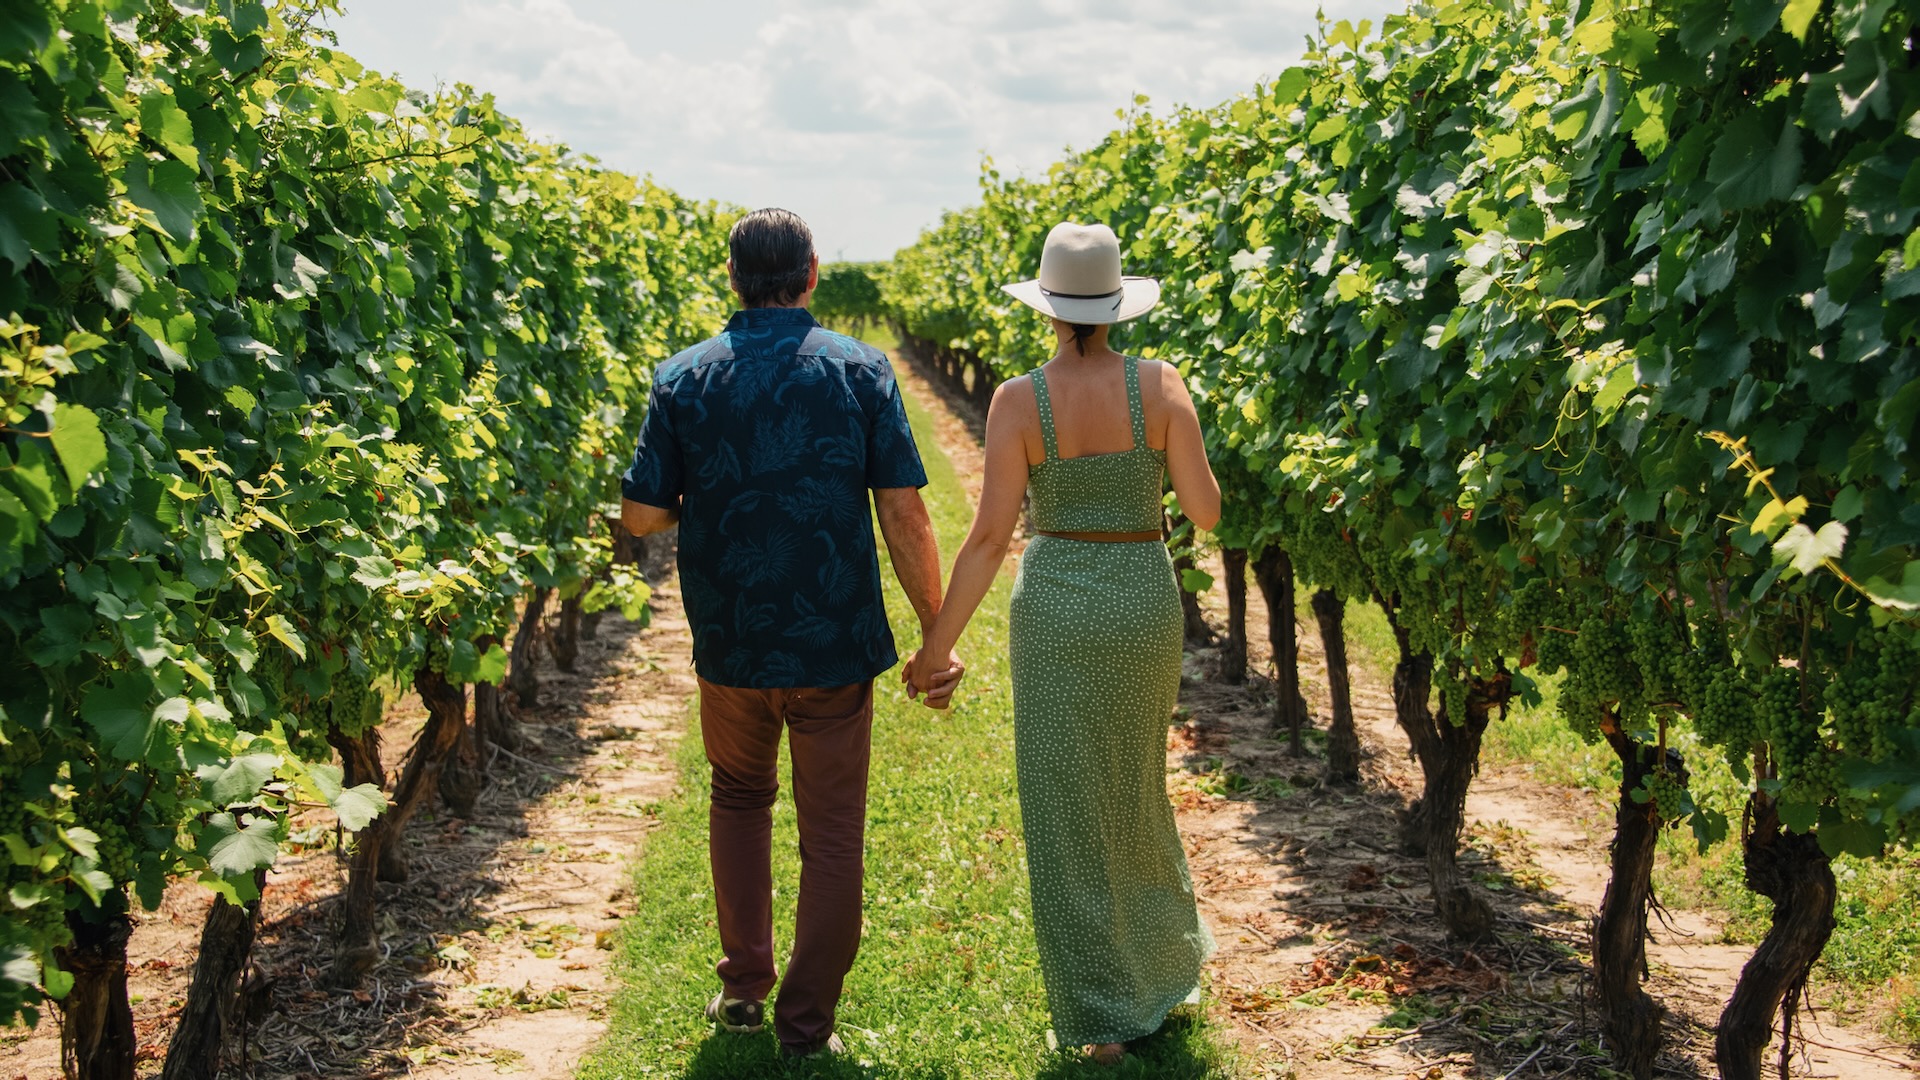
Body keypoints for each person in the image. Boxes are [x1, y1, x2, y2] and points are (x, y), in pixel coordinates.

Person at [620, 208, 964, 1060]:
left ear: (732, 278)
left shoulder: (682, 378)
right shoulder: (859, 371)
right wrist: (934, 632)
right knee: (833, 833)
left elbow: (639, 515)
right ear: (812, 273)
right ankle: (806, 1028)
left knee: (738, 801)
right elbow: (904, 511)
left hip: (732, 642)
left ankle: (743, 990)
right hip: (834, 643)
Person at [905, 221, 1221, 1066]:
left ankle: (1100, 1017)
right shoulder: (1161, 385)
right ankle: (1160, 977)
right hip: (1141, 600)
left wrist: (937, 648)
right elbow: (1205, 511)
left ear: (1048, 307)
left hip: (1054, 606)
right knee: (1135, 786)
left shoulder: (1017, 400)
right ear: (1117, 305)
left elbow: (984, 541)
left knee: (1064, 808)